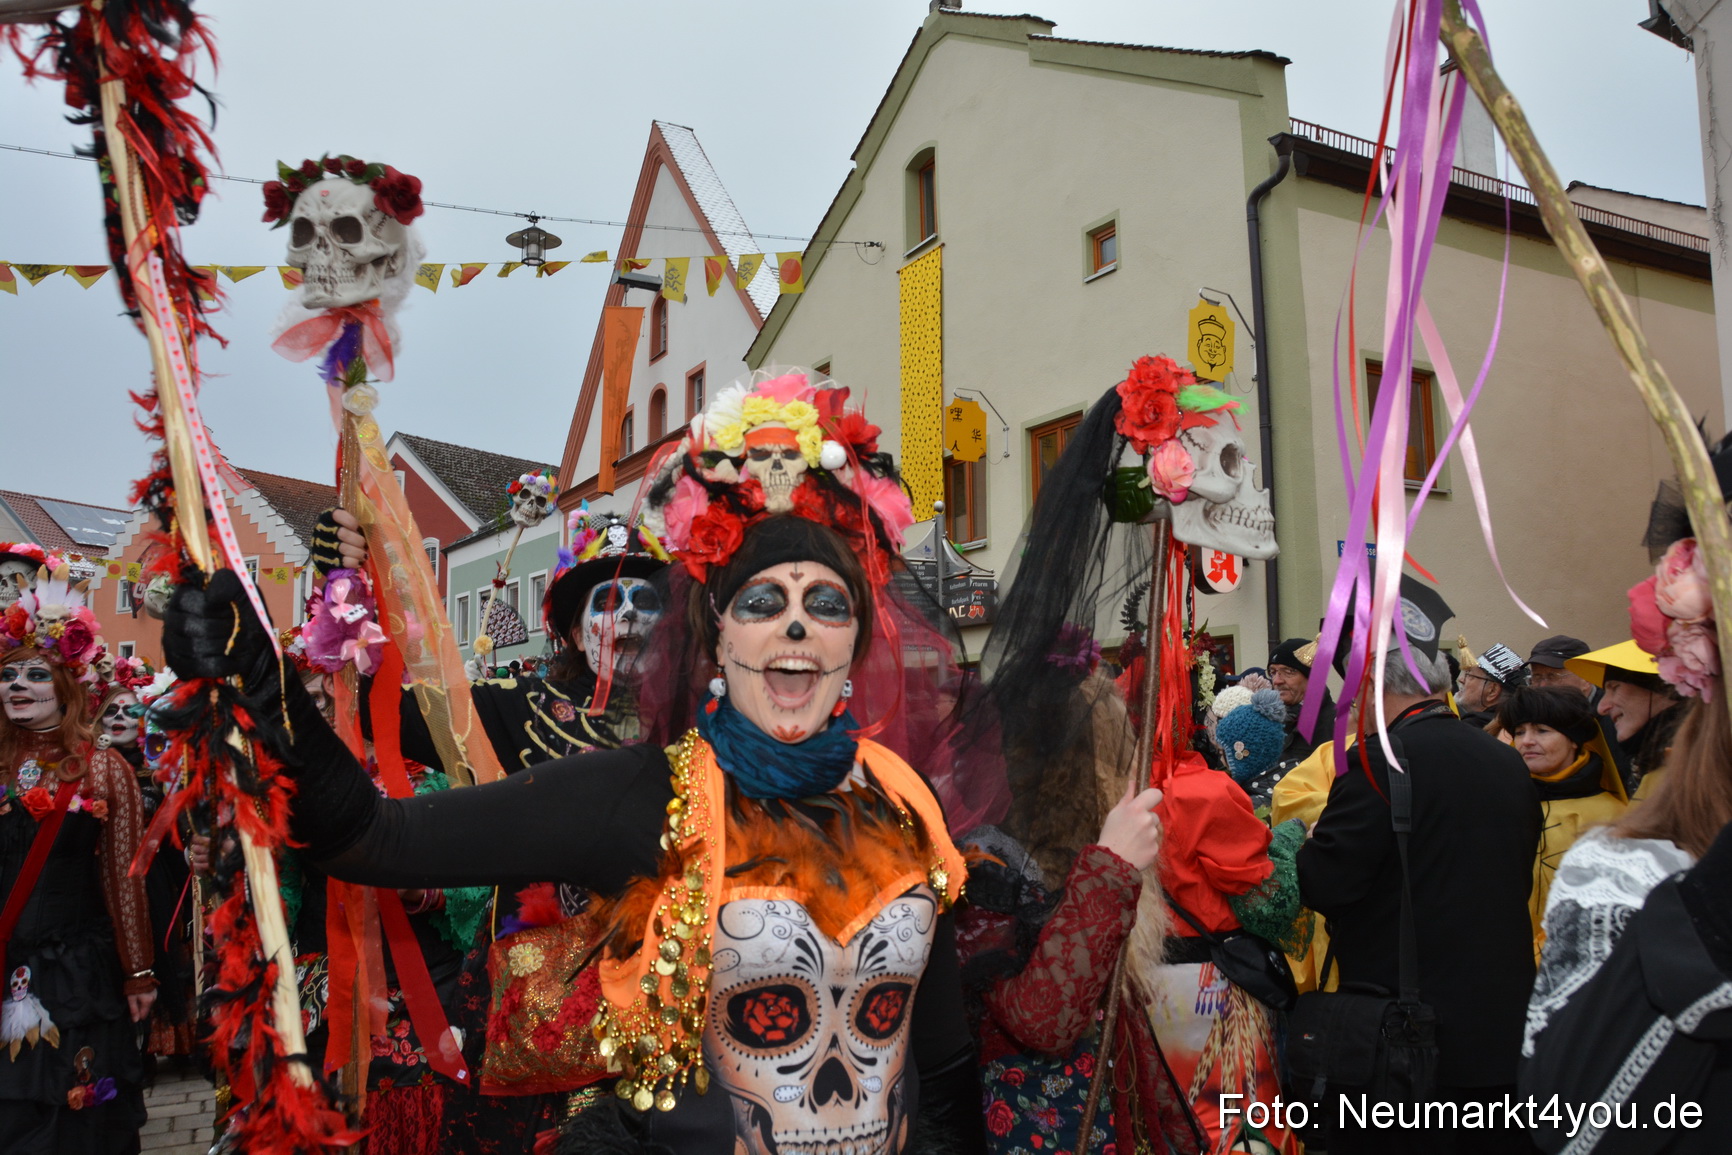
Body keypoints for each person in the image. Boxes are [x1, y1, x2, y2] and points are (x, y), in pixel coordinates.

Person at [161, 370, 985, 1154]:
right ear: (718, 631)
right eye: (764, 601)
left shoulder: (902, 797)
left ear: (856, 636)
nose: (797, 627)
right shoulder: (643, 795)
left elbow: (944, 1060)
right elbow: (375, 837)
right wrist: (262, 680)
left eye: (827, 603)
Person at [1296, 578, 1541, 1155]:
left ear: (1375, 684)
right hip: (1502, 1035)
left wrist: (1307, 842)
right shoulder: (1506, 761)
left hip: (1407, 1046)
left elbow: (1324, 884)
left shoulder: (1378, 761)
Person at [0, 563, 154, 1153]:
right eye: (8, 675)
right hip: (5, 962)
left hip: (76, 979)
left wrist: (138, 972)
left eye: (36, 674)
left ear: (67, 687)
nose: (17, 686)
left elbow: (124, 878)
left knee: (73, 1121)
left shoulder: (103, 768)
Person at [1495, 685, 1628, 956]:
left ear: (1574, 740)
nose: (1527, 741)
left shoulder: (1611, 817)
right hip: (1501, 959)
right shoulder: (1496, 804)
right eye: (1519, 732)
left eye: (1542, 731)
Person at [1566, 640, 1682, 799]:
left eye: (1615, 688)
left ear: (1661, 688)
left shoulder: (1695, 763)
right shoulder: (1655, 761)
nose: (1602, 708)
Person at [1526, 633, 1632, 786]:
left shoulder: (1615, 718)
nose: (1543, 685)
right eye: (1537, 677)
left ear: (1586, 678)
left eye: (1553, 676)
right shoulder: (1528, 718)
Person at [1268, 636, 1335, 766]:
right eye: (1273, 672)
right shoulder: (1268, 723)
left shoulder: (1337, 724)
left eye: (1288, 671)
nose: (1277, 680)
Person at [1455, 641, 1524, 729]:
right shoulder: (1518, 724)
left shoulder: (1472, 726)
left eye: (1469, 675)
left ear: (1492, 690)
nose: (1461, 680)